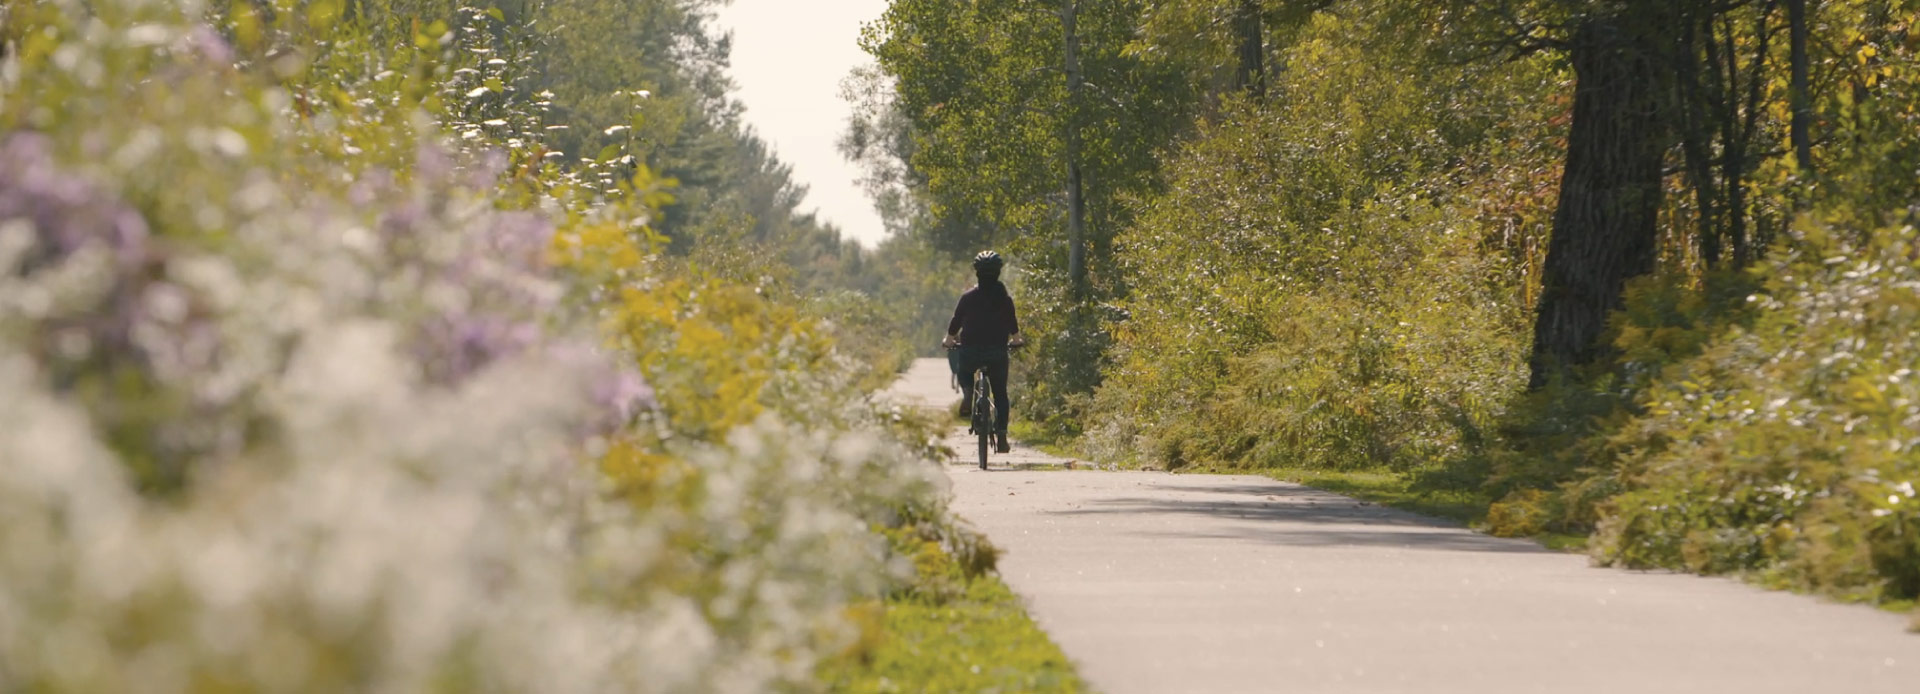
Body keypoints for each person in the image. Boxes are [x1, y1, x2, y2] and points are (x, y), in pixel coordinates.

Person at [943, 250, 1025, 453]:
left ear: (977, 273)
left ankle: (968, 390)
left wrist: (949, 340)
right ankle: (1003, 435)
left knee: (964, 371)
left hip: (970, 350)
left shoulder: (968, 297)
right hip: (997, 352)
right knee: (1000, 393)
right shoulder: (1005, 299)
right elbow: (1012, 324)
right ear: (998, 272)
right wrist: (1016, 340)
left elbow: (956, 321)